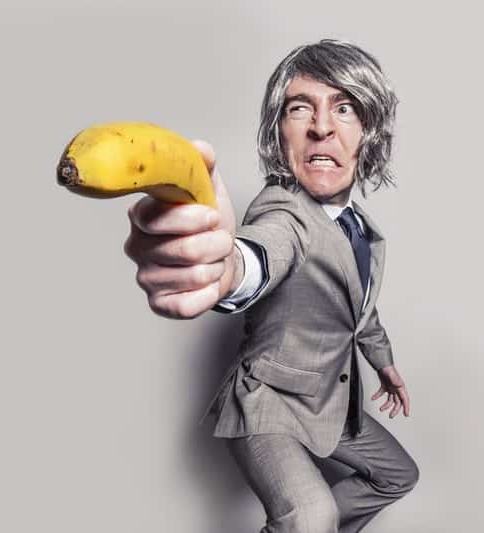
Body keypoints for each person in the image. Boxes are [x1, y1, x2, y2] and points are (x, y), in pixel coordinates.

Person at [123, 39, 419, 533]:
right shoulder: (283, 211)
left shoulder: (362, 229)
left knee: (397, 475)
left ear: (368, 132)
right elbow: (262, 253)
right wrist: (226, 270)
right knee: (312, 514)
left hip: (328, 398)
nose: (321, 126)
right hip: (269, 402)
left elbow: (361, 312)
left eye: (344, 108)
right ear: (279, 134)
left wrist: (384, 364)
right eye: (300, 108)